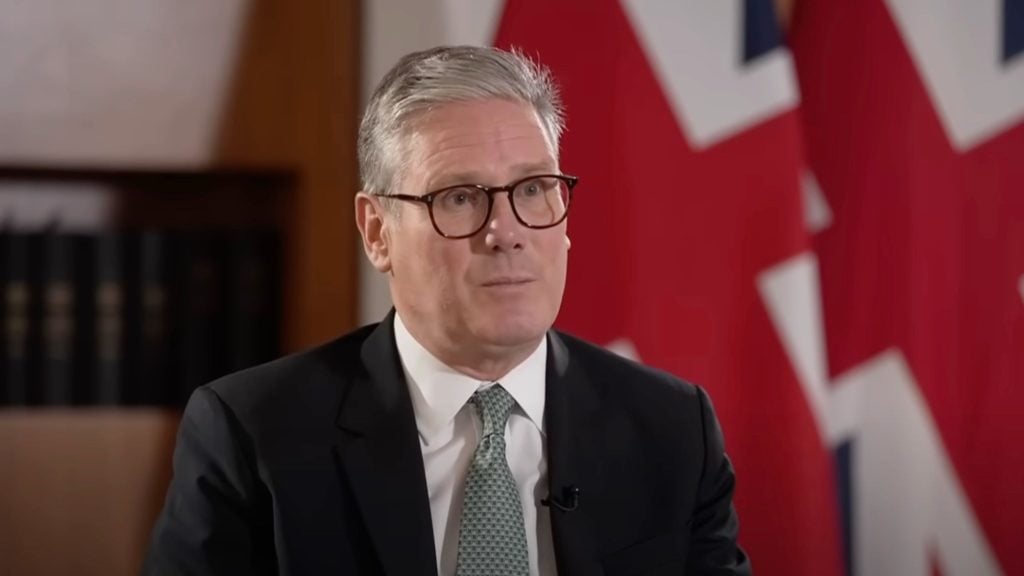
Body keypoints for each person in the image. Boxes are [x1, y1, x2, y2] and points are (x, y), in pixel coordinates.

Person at [143, 45, 750, 576]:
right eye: (460, 198)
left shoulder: (672, 429)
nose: (506, 232)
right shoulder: (253, 435)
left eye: (534, 189)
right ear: (377, 231)